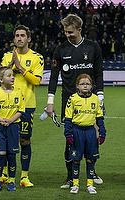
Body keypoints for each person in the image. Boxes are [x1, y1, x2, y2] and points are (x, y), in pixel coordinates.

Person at [46, 14, 104, 189]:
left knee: (93, 138)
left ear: (79, 29)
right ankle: (71, 176)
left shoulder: (93, 47)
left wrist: (100, 97)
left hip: (92, 100)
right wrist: (50, 101)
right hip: (69, 101)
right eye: (65, 31)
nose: (67, 34)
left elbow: (99, 74)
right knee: (70, 139)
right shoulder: (60, 50)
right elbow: (54, 77)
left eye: (70, 32)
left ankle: (91, 172)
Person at [0, 25, 44, 187]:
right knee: (5, 141)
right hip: (6, 105)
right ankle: (3, 175)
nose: (19, 38)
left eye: (22, 35)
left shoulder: (37, 58)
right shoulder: (6, 56)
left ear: (28, 39)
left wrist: (20, 68)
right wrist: (10, 66)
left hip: (26, 105)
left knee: (24, 140)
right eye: (17, 35)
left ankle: (24, 176)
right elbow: (0, 77)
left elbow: (37, 81)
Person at [64, 74, 106, 194]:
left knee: (90, 160)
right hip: (77, 132)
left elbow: (100, 117)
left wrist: (102, 133)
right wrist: (68, 134)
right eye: (82, 84)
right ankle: (75, 184)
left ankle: (90, 185)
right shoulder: (72, 99)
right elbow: (68, 118)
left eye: (87, 84)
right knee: (76, 160)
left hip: (90, 132)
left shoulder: (95, 99)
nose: (85, 86)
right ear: (77, 86)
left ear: (91, 86)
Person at [0, 66, 25, 191]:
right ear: (0, 80)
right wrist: (1, 119)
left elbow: (21, 110)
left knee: (11, 155)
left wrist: (10, 120)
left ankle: (12, 181)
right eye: (9, 76)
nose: (13, 77)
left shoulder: (18, 93)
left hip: (13, 126)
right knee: (1, 153)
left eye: (13, 75)